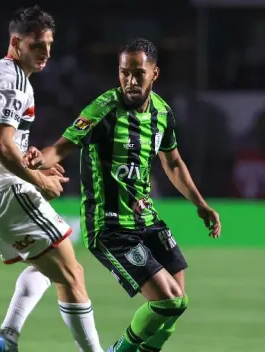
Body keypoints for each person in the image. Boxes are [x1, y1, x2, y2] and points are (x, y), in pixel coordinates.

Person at [24, 38, 222, 352]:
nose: (129, 80)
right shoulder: (102, 110)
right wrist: (40, 159)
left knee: (177, 304)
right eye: (123, 72)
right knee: (168, 301)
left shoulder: (162, 113)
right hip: (111, 226)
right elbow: (62, 147)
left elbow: (172, 161)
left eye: (138, 73)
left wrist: (200, 204)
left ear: (154, 73)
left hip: (147, 219)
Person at [0, 5, 104, 352]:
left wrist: (32, 165)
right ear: (17, 42)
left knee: (47, 267)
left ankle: (8, 335)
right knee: (72, 276)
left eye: (50, 45)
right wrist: (38, 181)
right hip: (3, 194)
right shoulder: (15, 82)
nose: (46, 53)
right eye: (38, 45)